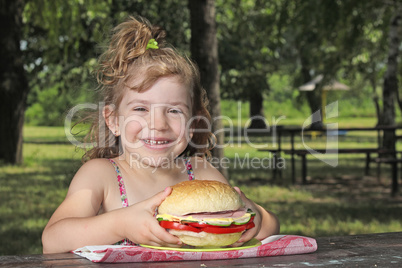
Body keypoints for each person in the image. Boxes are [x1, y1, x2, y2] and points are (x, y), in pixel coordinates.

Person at [41, 16, 280, 254]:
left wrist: (255, 217)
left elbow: (271, 226)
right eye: (141, 109)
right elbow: (52, 240)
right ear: (113, 120)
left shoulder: (201, 172)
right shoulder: (101, 175)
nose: (158, 124)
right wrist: (121, 223)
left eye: (174, 110)